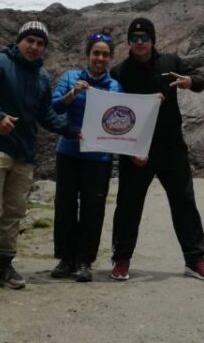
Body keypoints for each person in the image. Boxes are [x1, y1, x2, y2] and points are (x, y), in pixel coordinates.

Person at [0, 20, 78, 298]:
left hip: (25, 154)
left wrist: (71, 130)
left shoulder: (41, 77)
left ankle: (3, 266)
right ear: (20, 40)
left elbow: (45, 116)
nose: (34, 47)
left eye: (41, 44)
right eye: (30, 40)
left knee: (14, 212)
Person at [109, 17, 204, 282]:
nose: (139, 42)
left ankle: (195, 260)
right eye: (134, 38)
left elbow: (201, 80)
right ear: (129, 42)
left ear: (153, 39)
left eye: (144, 37)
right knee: (127, 206)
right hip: (135, 152)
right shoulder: (119, 72)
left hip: (171, 147)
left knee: (184, 203)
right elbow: (112, 112)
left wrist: (190, 82)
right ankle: (121, 259)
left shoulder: (171, 64)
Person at [49, 28, 123, 282]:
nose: (100, 59)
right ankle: (65, 258)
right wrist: (73, 94)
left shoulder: (115, 86)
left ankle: (84, 261)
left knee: (93, 209)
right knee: (65, 206)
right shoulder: (70, 78)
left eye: (105, 55)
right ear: (88, 55)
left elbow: (122, 119)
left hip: (99, 158)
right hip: (69, 153)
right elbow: (54, 107)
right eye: (96, 54)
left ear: (110, 58)